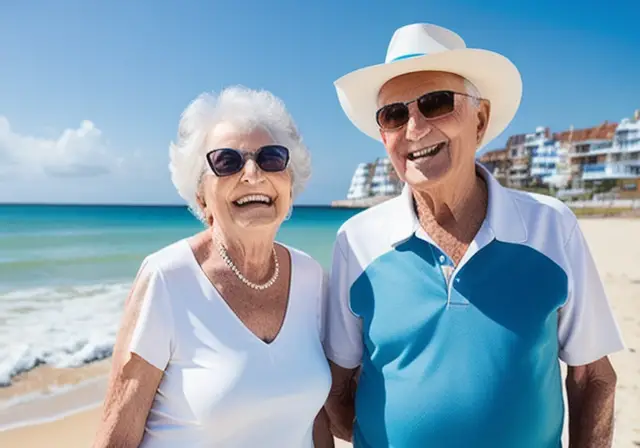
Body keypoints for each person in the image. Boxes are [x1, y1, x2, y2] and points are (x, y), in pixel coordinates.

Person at [323, 23, 625, 448]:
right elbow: (337, 390)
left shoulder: (551, 227)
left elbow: (594, 377)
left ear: (479, 119)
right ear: (383, 135)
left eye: (436, 103)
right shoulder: (354, 241)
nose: (414, 128)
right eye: (394, 114)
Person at [93, 86, 334, 447]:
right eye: (227, 161)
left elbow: (315, 422)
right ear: (201, 195)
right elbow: (118, 435)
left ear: (289, 181)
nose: (252, 173)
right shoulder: (167, 278)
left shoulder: (311, 277)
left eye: (271, 158)